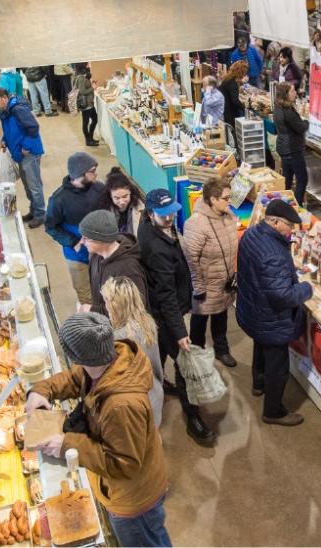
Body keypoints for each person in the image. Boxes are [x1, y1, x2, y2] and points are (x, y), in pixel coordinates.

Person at [26, 312, 171, 548]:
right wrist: (42, 390)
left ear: (75, 355)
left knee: (148, 541)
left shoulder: (121, 406)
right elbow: (75, 378)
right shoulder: (106, 361)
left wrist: (67, 444)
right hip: (126, 489)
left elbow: (124, 463)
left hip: (133, 500)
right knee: (154, 537)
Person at [138, 189, 216, 444]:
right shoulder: (157, 249)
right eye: (164, 215)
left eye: (171, 212)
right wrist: (181, 333)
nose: (170, 218)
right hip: (164, 313)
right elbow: (166, 295)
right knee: (185, 363)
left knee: (157, 354)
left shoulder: (151, 226)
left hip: (160, 312)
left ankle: (157, 387)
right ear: (150, 214)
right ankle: (193, 418)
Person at [237, 200, 312, 426]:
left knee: (260, 348)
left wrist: (288, 269)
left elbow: (262, 271)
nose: (292, 231)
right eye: (290, 226)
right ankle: (274, 411)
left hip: (253, 309)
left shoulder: (252, 234)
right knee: (278, 366)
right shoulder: (274, 253)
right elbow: (283, 296)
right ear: (276, 222)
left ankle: (258, 384)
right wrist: (306, 288)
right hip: (272, 319)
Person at [182, 177, 239, 368]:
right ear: (213, 199)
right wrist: (198, 287)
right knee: (199, 321)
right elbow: (190, 259)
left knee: (221, 317)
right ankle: (196, 355)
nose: (229, 201)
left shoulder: (228, 215)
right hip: (206, 286)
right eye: (226, 197)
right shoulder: (196, 223)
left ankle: (221, 349)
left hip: (225, 282)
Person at [102, 276, 164, 427]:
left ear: (115, 306)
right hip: (154, 394)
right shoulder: (147, 323)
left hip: (135, 409)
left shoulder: (118, 339)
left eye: (106, 301)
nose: (105, 305)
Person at [45, 153, 104, 305]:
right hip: (77, 256)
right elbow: (51, 227)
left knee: (105, 291)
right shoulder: (58, 199)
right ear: (80, 174)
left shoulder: (99, 188)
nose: (96, 173)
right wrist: (74, 242)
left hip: (101, 252)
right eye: (92, 171)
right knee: (87, 299)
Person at [0, 87, 46, 228]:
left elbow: (33, 127)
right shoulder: (6, 111)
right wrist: (5, 139)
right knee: (27, 185)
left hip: (29, 153)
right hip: (19, 154)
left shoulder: (17, 109)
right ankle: (33, 211)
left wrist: (26, 147)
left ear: (4, 98)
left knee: (34, 185)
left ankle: (40, 215)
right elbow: (11, 129)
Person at [78, 209, 148, 317]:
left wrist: (93, 310)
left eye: (86, 238)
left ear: (101, 239)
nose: (82, 242)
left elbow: (134, 311)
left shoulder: (128, 269)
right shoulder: (96, 257)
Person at [273, 81, 309, 207]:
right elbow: (300, 127)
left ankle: (284, 204)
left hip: (283, 147)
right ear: (286, 94)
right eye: (292, 91)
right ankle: (297, 206)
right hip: (292, 149)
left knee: (287, 179)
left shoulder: (278, 106)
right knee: (302, 180)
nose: (295, 93)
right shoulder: (288, 112)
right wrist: (307, 122)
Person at [98, 168, 146, 237]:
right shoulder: (103, 210)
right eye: (116, 198)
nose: (122, 202)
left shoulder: (142, 208)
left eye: (125, 196)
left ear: (131, 193)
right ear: (110, 196)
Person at [72, 64, 99, 146]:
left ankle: (90, 138)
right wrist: (93, 88)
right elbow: (82, 91)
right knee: (86, 122)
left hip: (89, 103)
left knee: (94, 120)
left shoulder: (82, 76)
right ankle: (88, 140)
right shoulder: (80, 78)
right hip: (86, 105)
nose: (89, 66)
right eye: (87, 65)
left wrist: (91, 84)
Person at [218, 60, 247, 129]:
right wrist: (244, 108)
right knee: (231, 130)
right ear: (241, 72)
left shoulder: (228, 78)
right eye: (244, 73)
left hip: (223, 108)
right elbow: (235, 101)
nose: (244, 75)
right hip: (229, 112)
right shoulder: (232, 83)